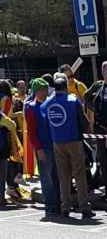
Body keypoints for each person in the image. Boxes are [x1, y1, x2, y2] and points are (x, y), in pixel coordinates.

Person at [42, 76, 94, 219]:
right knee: (79, 174)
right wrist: (88, 131)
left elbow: (46, 121)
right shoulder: (73, 100)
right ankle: (84, 207)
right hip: (74, 140)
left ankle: (65, 207)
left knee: (63, 176)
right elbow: (82, 120)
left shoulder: (48, 103)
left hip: (57, 142)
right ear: (66, 87)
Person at [24, 78, 60, 218]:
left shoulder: (51, 103)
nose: (46, 92)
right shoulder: (30, 107)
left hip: (56, 145)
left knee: (58, 177)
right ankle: (51, 206)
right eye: (43, 89)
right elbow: (32, 132)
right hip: (43, 148)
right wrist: (38, 149)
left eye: (46, 89)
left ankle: (59, 203)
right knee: (47, 178)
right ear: (36, 91)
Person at [85, 61, 107, 199]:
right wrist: (93, 109)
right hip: (101, 127)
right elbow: (87, 96)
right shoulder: (98, 85)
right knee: (103, 160)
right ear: (103, 73)